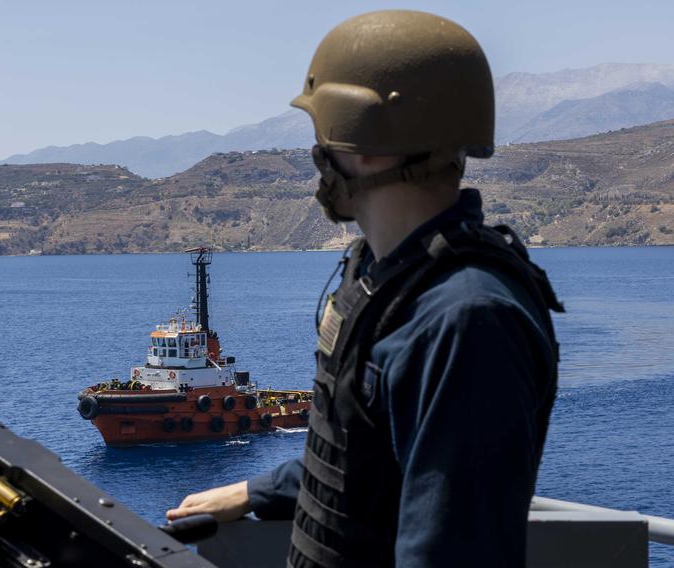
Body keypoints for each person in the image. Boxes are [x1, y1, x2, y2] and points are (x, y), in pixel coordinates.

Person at [166, 10, 564, 568]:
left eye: (323, 133)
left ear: (367, 141)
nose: (316, 154)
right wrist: (261, 492)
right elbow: (366, 448)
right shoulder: (385, 275)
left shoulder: (465, 319)